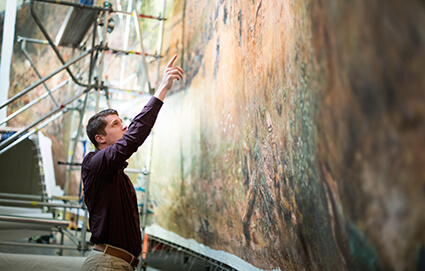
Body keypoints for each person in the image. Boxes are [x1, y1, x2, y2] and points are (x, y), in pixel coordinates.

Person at [80, 55, 183, 271]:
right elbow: (132, 138)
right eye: (116, 124)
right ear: (100, 138)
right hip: (107, 264)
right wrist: (162, 89)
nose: (124, 127)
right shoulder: (94, 163)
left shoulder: (115, 173)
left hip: (117, 264)